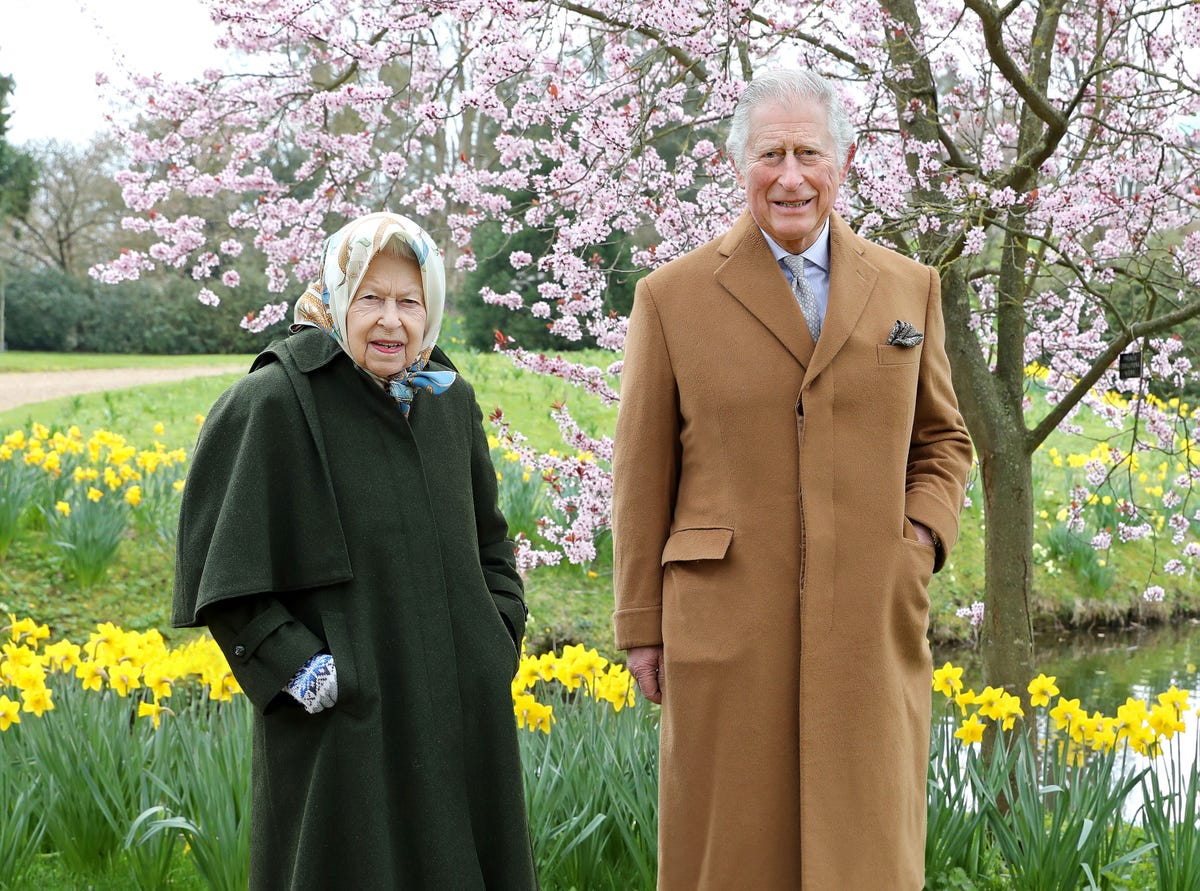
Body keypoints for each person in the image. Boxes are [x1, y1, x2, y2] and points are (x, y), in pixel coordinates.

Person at [611, 69, 974, 889]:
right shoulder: (670, 298)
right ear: (738, 166)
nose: (791, 175)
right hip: (727, 623)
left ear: (842, 164)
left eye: (809, 152)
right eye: (770, 153)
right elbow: (640, 475)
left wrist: (916, 538)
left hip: (869, 620)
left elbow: (943, 439)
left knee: (868, 853)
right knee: (731, 853)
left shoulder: (910, 286)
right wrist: (641, 622)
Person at [173, 211, 539, 890]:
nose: (391, 322)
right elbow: (222, 573)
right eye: (370, 298)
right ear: (338, 300)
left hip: (462, 710)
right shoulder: (276, 399)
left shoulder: (447, 399)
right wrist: (297, 665)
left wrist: (497, 635)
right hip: (344, 724)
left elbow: (491, 537)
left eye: (408, 301)